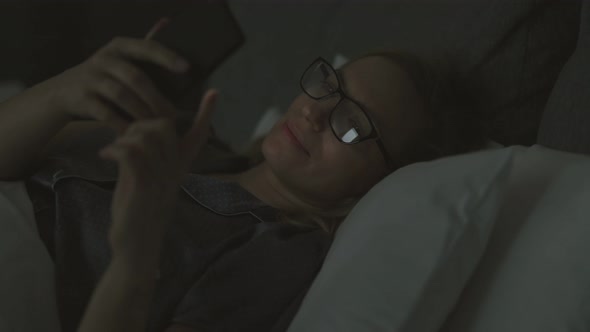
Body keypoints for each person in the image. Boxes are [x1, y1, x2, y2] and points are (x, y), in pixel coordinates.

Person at [0, 35, 486, 331]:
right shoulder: (190, 140)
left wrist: (135, 254)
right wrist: (64, 91)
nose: (314, 111)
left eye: (353, 123)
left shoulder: (276, 253)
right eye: (329, 83)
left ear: (378, 186)